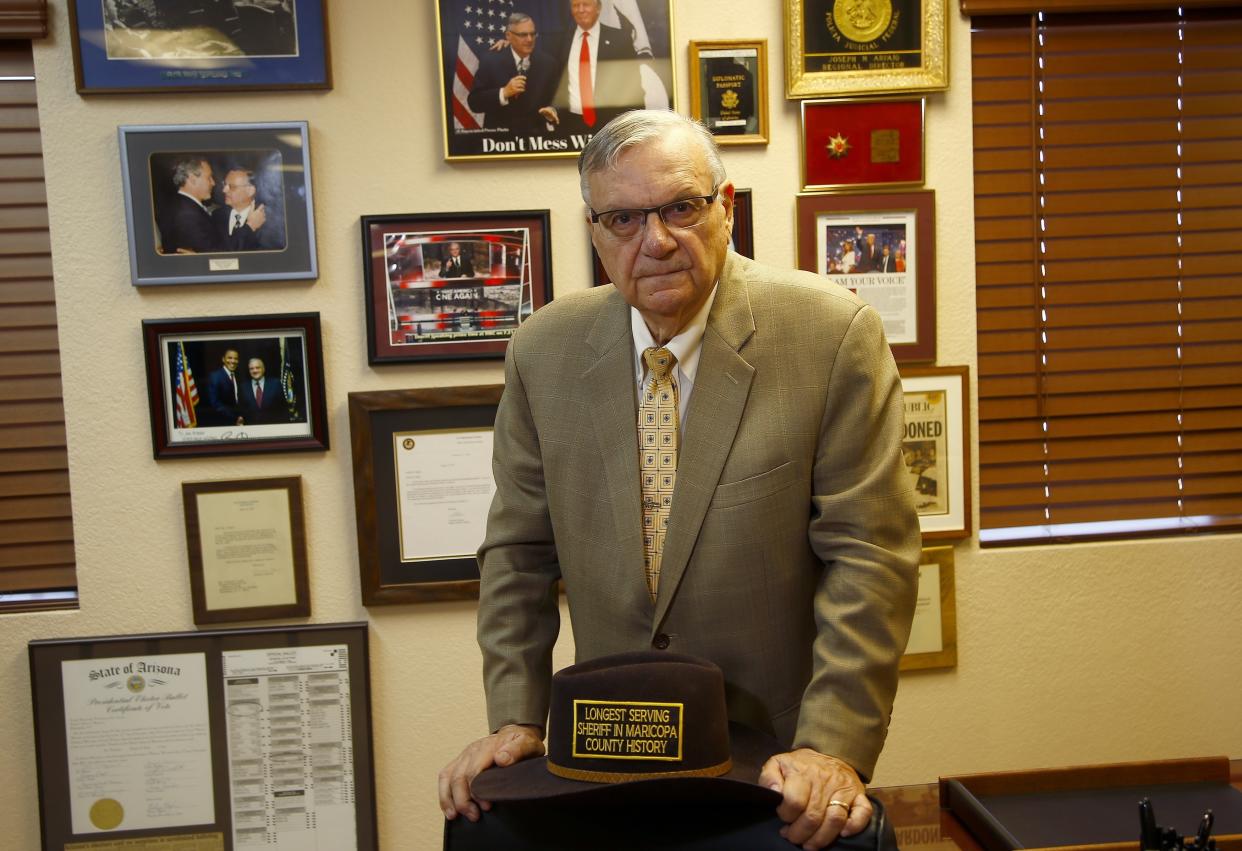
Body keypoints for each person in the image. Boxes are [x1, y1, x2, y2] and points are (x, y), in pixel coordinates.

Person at [439, 110, 920, 851]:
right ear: (595, 230)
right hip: (603, 747)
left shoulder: (830, 336)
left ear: (725, 205)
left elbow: (870, 559)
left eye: (680, 208)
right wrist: (518, 719)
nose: (655, 241)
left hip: (769, 753)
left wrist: (832, 746)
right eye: (624, 218)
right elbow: (516, 556)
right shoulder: (543, 351)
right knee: (480, 830)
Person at [541, 0, 645, 134]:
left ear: (598, 8)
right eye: (576, 5)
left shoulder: (620, 39)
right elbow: (551, 82)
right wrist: (553, 108)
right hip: (568, 123)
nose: (581, 9)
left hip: (611, 124)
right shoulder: (557, 41)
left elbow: (634, 85)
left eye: (586, 4)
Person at [467, 12, 558, 135]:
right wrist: (503, 93)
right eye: (523, 35)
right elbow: (474, 102)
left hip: (537, 139)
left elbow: (556, 100)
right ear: (508, 36)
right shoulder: (491, 60)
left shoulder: (548, 63)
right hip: (499, 141)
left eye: (533, 34)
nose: (530, 39)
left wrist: (552, 110)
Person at [158, 157, 222, 254]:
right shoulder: (188, 215)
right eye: (209, 177)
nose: (213, 183)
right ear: (192, 180)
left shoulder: (177, 205)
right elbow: (211, 256)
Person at [212, 168, 277, 251]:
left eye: (232, 187)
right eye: (224, 184)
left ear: (250, 191)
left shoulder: (268, 219)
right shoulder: (217, 216)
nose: (224, 190)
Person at [204, 348, 243, 427]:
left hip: (240, 422)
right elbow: (215, 404)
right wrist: (235, 418)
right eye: (230, 358)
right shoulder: (215, 376)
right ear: (223, 359)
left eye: (236, 359)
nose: (233, 361)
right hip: (222, 422)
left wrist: (241, 416)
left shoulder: (239, 377)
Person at [238, 357, 284, 425]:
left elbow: (283, 409)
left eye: (257, 367)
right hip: (252, 429)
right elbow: (241, 410)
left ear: (263, 369)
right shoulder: (243, 387)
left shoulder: (275, 384)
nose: (255, 371)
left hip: (273, 427)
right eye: (251, 368)